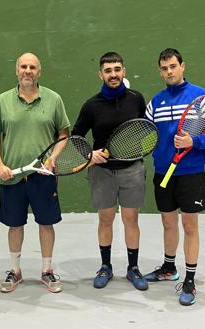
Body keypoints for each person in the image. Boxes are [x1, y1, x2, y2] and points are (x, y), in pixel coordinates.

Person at [144, 48, 205, 306]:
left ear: (182, 66)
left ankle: (189, 279)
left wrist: (195, 140)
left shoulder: (201, 97)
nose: (169, 71)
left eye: (173, 66)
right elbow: (144, 131)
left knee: (189, 226)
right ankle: (169, 268)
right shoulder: (155, 102)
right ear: (160, 71)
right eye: (164, 68)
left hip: (190, 173)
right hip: (163, 173)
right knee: (168, 224)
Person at [0, 52, 70, 293]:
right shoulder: (2, 101)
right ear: (17, 71)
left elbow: (63, 134)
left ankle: (47, 271)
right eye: (23, 66)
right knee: (15, 225)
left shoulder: (53, 99)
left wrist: (52, 159)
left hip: (43, 177)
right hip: (12, 176)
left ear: (39, 72)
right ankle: (15, 271)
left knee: (46, 223)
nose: (27, 71)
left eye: (32, 67)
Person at [71, 52, 149, 291]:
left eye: (117, 69)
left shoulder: (136, 99)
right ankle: (106, 266)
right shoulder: (91, 105)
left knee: (131, 219)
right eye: (108, 70)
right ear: (101, 74)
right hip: (102, 173)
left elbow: (147, 129)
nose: (113, 74)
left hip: (132, 170)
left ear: (123, 71)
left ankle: (133, 268)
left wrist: (141, 150)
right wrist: (89, 155)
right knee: (105, 219)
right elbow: (76, 137)